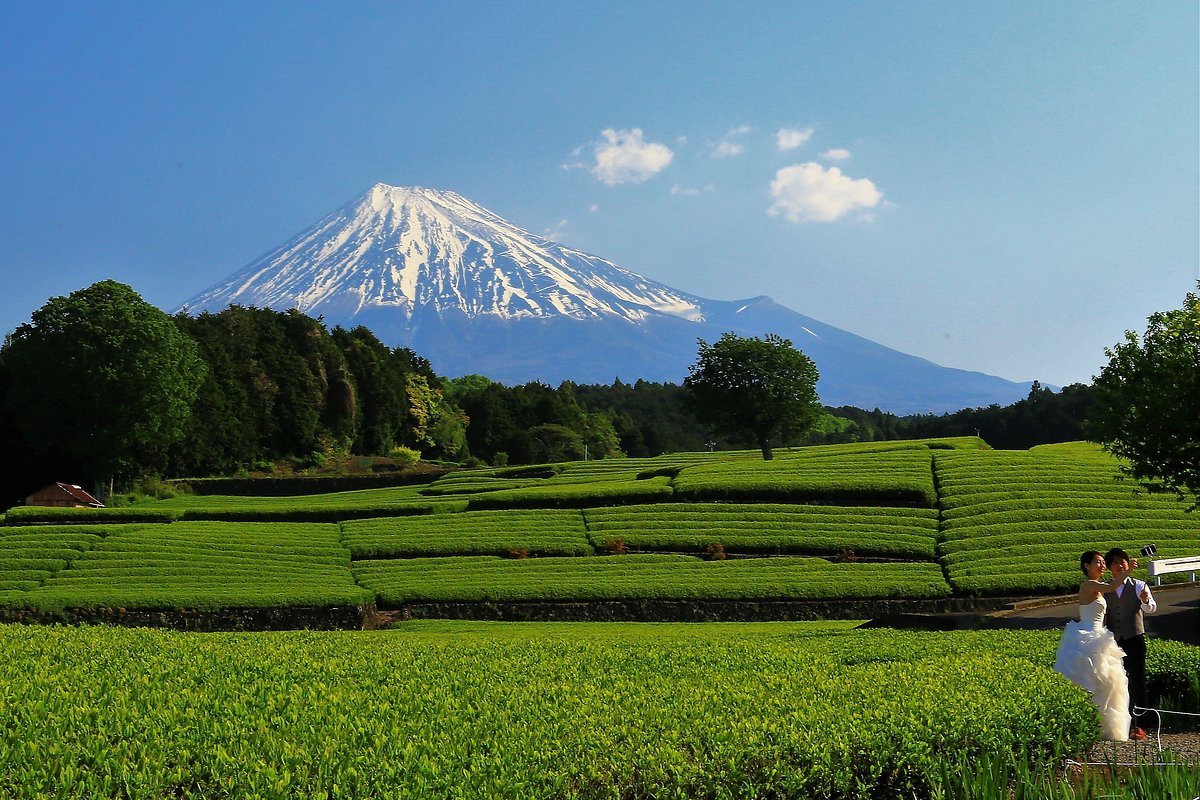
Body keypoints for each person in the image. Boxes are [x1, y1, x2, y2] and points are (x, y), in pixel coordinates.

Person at [1053, 551, 1131, 741]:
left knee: (1109, 681)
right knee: (1090, 678)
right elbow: (1112, 586)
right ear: (1087, 566)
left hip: (1099, 635)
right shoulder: (1089, 585)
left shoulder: (1096, 586)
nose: (1102, 565)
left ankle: (1105, 727)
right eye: (1098, 562)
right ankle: (1087, 725)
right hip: (1087, 637)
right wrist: (1129, 571)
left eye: (1104, 562)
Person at [1103, 547, 1158, 740]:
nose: (1120, 565)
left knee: (1138, 681)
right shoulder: (1106, 587)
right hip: (1114, 642)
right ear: (1110, 567)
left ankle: (1141, 724)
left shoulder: (1138, 585)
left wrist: (1144, 601)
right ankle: (1122, 724)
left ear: (1128, 563)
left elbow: (1151, 608)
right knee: (1117, 683)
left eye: (1122, 562)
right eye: (1115, 563)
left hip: (1134, 638)